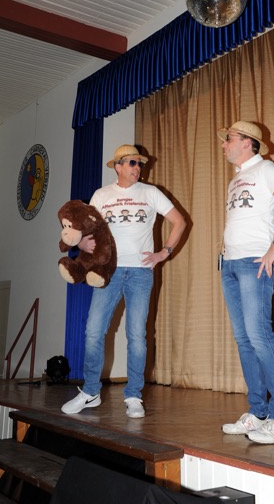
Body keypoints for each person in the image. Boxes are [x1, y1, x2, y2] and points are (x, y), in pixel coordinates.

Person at [61, 144, 186, 419]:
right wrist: (82, 243)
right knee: (93, 331)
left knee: (137, 336)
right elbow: (86, 228)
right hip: (109, 271)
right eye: (131, 163)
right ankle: (90, 391)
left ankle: (133, 395)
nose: (137, 168)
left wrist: (164, 253)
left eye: (139, 164)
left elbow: (179, 221)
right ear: (117, 166)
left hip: (140, 273)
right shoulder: (102, 195)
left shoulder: (150, 193)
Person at [218, 121, 274, 444]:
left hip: (255, 262)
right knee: (244, 340)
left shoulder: (267, 169)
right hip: (230, 264)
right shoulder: (235, 179)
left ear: (247, 142)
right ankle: (258, 412)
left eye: (229, 139)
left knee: (259, 336)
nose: (224, 144)